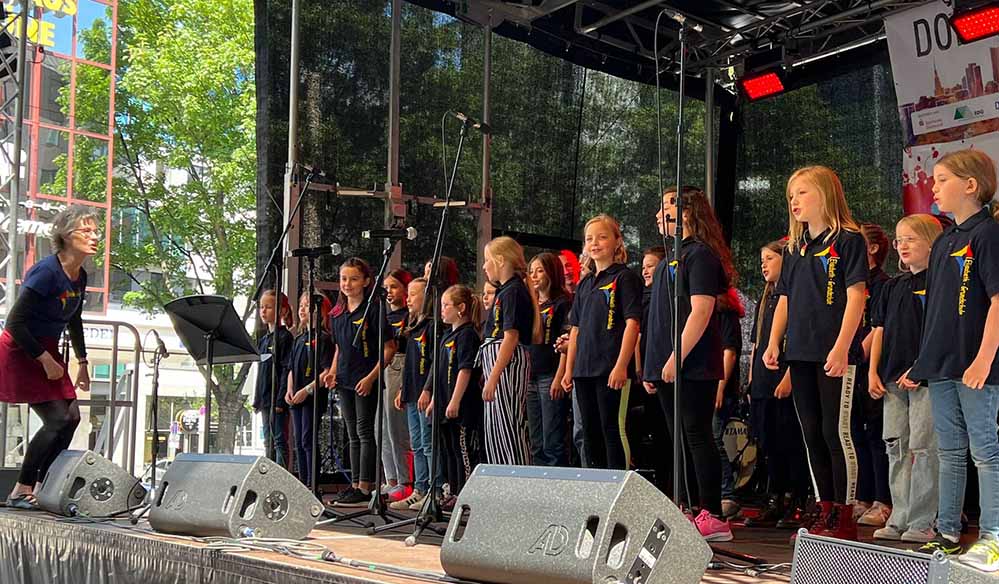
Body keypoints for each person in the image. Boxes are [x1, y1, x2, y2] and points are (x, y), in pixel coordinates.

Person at [905, 149, 999, 570]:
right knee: (950, 451)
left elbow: (998, 300)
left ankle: (993, 537)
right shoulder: (944, 240)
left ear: (971, 186)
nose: (934, 187)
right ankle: (945, 532)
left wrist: (983, 359)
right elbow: (940, 310)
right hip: (942, 366)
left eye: (942, 180)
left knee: (986, 451)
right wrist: (921, 361)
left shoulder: (988, 234)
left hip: (976, 366)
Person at [764, 166, 867, 541]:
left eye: (803, 193)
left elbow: (856, 296)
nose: (795, 201)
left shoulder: (848, 240)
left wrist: (842, 347)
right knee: (810, 432)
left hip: (834, 353)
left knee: (834, 431)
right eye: (791, 195)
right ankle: (824, 510)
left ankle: (845, 514)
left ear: (825, 194)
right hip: (801, 353)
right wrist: (774, 341)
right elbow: (785, 299)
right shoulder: (793, 248)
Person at [643, 188, 734, 542]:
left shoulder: (700, 256)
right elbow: (660, 320)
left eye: (666, 206)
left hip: (693, 365)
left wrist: (675, 358)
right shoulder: (670, 258)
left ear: (687, 212)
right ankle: (686, 507)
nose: (658, 214)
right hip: (667, 366)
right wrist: (654, 367)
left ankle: (712, 514)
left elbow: (701, 310)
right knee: (677, 438)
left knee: (697, 435)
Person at [0, 206, 97, 508]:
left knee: (72, 418)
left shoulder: (80, 275)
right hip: (21, 347)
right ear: (67, 236)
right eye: (87, 231)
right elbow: (14, 322)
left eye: (96, 231)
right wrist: (43, 358)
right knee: (57, 418)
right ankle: (21, 489)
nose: (95, 237)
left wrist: (82, 363)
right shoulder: (46, 271)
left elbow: (75, 319)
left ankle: (45, 485)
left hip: (47, 348)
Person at [868, 214, 942, 544]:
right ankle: (899, 514)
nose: (904, 245)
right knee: (895, 446)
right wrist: (873, 370)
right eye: (899, 239)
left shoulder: (941, 283)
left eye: (912, 238)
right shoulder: (892, 286)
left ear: (932, 242)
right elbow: (879, 330)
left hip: (926, 377)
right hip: (892, 379)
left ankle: (923, 519)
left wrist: (920, 367)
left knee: (924, 448)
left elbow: (940, 332)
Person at [563, 215, 643, 471]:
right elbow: (575, 329)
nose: (595, 243)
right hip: (583, 369)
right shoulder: (585, 283)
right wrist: (568, 369)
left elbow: (633, 324)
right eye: (589, 239)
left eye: (602, 237)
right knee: (589, 431)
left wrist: (621, 365)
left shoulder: (625, 277)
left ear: (617, 241)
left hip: (610, 368)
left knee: (612, 427)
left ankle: (619, 482)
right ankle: (597, 484)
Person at [743, 239, 811, 529]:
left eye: (770, 258)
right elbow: (758, 341)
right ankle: (773, 498)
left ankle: (797, 499)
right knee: (767, 443)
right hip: (762, 381)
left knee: (789, 442)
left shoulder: (794, 295)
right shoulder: (766, 297)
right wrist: (751, 380)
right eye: (762, 259)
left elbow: (799, 337)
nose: (764, 265)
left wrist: (789, 377)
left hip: (785, 375)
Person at [322, 258, 397, 507]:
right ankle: (354, 484)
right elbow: (339, 349)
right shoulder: (337, 313)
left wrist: (371, 377)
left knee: (365, 432)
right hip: (345, 379)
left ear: (366, 281)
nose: (347, 284)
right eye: (344, 279)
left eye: (354, 279)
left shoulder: (373, 310)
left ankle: (365, 486)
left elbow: (388, 349)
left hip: (366, 378)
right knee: (352, 434)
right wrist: (332, 372)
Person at [481, 236, 540, 465]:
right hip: (497, 361)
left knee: (508, 427)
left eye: (487, 260)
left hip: (507, 364)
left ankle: (516, 476)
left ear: (500, 260)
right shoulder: (505, 291)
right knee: (496, 428)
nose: (485, 266)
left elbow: (510, 337)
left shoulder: (513, 291)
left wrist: (494, 376)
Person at [852, 222, 893, 527]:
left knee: (876, 435)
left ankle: (883, 500)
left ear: (873, 249)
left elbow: (878, 327)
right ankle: (861, 496)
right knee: (855, 435)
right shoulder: (852, 280)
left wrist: (858, 355)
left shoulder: (883, 284)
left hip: (869, 368)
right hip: (848, 366)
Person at [429, 285, 483, 509]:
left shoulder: (468, 334)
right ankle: (452, 490)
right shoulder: (446, 336)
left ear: (461, 308)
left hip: (462, 405)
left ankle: (466, 494)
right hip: (444, 403)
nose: (441, 310)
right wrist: (434, 399)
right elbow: (441, 371)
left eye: (446, 305)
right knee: (448, 450)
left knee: (463, 451)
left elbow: (465, 369)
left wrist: (455, 400)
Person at [391, 278, 436, 511]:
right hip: (411, 392)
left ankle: (433, 490)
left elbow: (433, 363)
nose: (408, 299)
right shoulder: (412, 326)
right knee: (416, 444)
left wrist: (427, 389)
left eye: (413, 294)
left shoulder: (432, 326)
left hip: (424, 393)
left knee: (428, 444)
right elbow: (409, 364)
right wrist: (402, 389)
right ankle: (419, 489)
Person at [526, 252, 571, 466]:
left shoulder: (562, 302)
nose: (534, 276)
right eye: (531, 271)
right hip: (530, 375)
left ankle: (557, 483)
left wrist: (559, 375)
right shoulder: (532, 304)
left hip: (550, 373)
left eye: (540, 270)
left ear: (551, 272)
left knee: (552, 438)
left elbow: (565, 343)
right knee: (536, 440)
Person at [286, 291, 332, 488]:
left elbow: (326, 371)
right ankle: (302, 482)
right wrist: (289, 390)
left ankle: (313, 483)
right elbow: (290, 369)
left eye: (308, 305)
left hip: (312, 396)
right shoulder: (298, 338)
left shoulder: (323, 338)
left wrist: (307, 390)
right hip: (296, 396)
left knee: (307, 438)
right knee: (298, 440)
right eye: (301, 305)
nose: (302, 309)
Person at [381, 268, 413, 503]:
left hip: (398, 365)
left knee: (396, 426)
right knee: (380, 428)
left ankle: (405, 481)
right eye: (386, 288)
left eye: (394, 287)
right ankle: (390, 478)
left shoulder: (408, 316)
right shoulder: (383, 315)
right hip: (382, 367)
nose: (389, 292)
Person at [714, 286, 744, 519]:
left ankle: (728, 494)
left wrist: (720, 387)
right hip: (705, 384)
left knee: (715, 438)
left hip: (721, 385)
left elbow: (729, 353)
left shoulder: (725, 314)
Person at [254, 290, 294, 467]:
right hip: (265, 398)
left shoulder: (285, 337)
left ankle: (282, 478)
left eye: (268, 307)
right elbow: (261, 372)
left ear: (282, 311)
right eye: (262, 307)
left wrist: (280, 400)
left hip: (276, 398)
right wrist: (257, 399)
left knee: (279, 441)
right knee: (267, 442)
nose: (263, 311)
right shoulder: (263, 340)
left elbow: (286, 370)